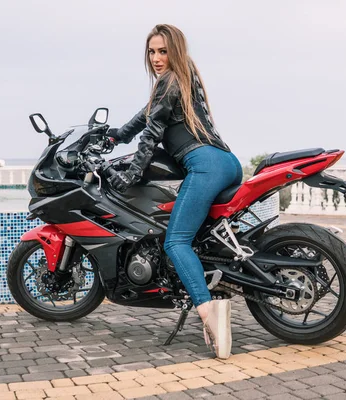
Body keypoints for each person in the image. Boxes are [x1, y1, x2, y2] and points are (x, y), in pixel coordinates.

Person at [106, 24, 242, 359]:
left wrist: (130, 175)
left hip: (205, 165)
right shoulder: (184, 77)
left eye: (163, 51)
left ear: (175, 52)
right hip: (227, 160)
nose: (156, 58)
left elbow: (151, 135)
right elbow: (147, 115)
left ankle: (212, 317)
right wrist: (116, 136)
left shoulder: (171, 81)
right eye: (151, 51)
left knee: (176, 241)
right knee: (192, 235)